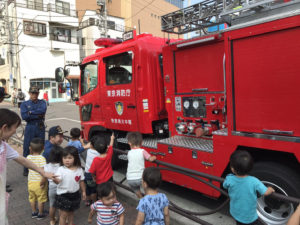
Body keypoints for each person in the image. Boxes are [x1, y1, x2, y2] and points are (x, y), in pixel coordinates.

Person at [0, 108, 54, 225]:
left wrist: (42, 172)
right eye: (15, 128)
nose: (15, 132)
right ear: (4, 128)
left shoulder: (3, 145)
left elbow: (23, 160)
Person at [223, 150, 275, 225]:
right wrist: (270, 189)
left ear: (232, 169)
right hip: (250, 217)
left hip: (236, 213)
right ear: (250, 167)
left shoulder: (229, 179)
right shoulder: (254, 181)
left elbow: (225, 185)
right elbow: (266, 192)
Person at [53, 146, 86, 225]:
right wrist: (55, 180)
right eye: (64, 158)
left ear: (75, 158)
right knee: (63, 215)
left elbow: (81, 181)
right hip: (63, 195)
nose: (67, 160)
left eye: (70, 158)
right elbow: (58, 180)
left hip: (75, 195)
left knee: (71, 213)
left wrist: (84, 191)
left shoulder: (79, 169)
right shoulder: (61, 169)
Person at [21, 86, 47, 176]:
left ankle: (41, 167)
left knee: (41, 147)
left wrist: (31, 112)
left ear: (38, 93)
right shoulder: (24, 104)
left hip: (40, 127)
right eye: (32, 93)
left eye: (36, 93)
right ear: (29, 93)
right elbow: (24, 117)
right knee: (27, 148)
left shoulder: (42, 102)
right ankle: (26, 169)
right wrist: (37, 114)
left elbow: (43, 111)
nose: (34, 95)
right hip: (30, 127)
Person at [126, 132, 156, 198]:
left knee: (137, 191)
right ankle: (147, 202)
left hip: (130, 178)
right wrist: (154, 157)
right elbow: (150, 159)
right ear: (141, 142)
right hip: (140, 178)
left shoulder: (129, 153)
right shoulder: (142, 151)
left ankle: (141, 201)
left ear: (129, 143)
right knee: (147, 190)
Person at [26, 137, 48, 220]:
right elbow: (43, 172)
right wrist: (43, 182)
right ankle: (40, 214)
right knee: (40, 199)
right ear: (43, 148)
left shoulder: (28, 157)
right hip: (39, 183)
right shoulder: (42, 159)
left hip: (30, 182)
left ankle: (34, 212)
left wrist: (30, 150)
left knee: (32, 198)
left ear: (30, 148)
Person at [41, 145, 63, 225]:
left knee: (52, 205)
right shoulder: (62, 166)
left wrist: (42, 184)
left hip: (51, 187)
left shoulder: (47, 166)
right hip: (61, 187)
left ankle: (52, 220)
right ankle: (62, 220)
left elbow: (44, 177)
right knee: (61, 206)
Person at [84, 136, 101, 206]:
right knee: (93, 190)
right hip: (92, 175)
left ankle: (87, 201)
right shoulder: (98, 154)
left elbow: (86, 147)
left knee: (88, 188)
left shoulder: (89, 151)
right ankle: (95, 203)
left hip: (86, 173)